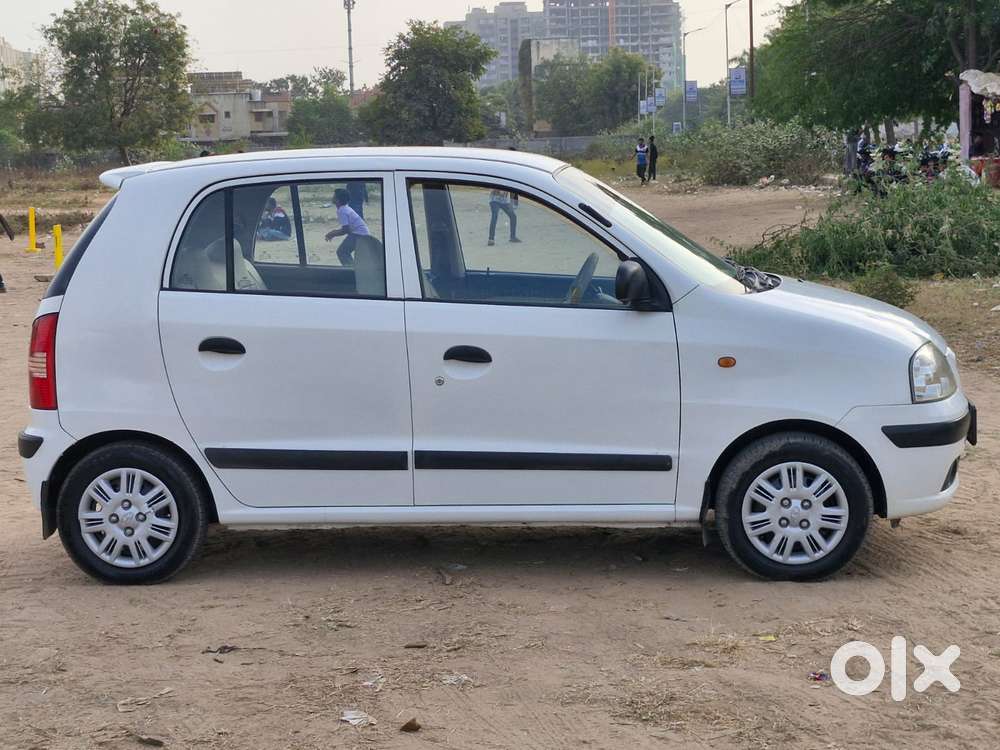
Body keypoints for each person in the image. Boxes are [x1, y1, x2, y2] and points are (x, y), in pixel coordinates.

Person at [325, 188, 371, 266]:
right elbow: (347, 229)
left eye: (334, 196)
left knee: (342, 252)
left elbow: (345, 230)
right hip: (360, 234)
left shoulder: (342, 211)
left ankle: (351, 271)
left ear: (337, 200)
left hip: (359, 235)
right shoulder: (345, 208)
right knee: (346, 252)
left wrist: (332, 233)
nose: (332, 197)